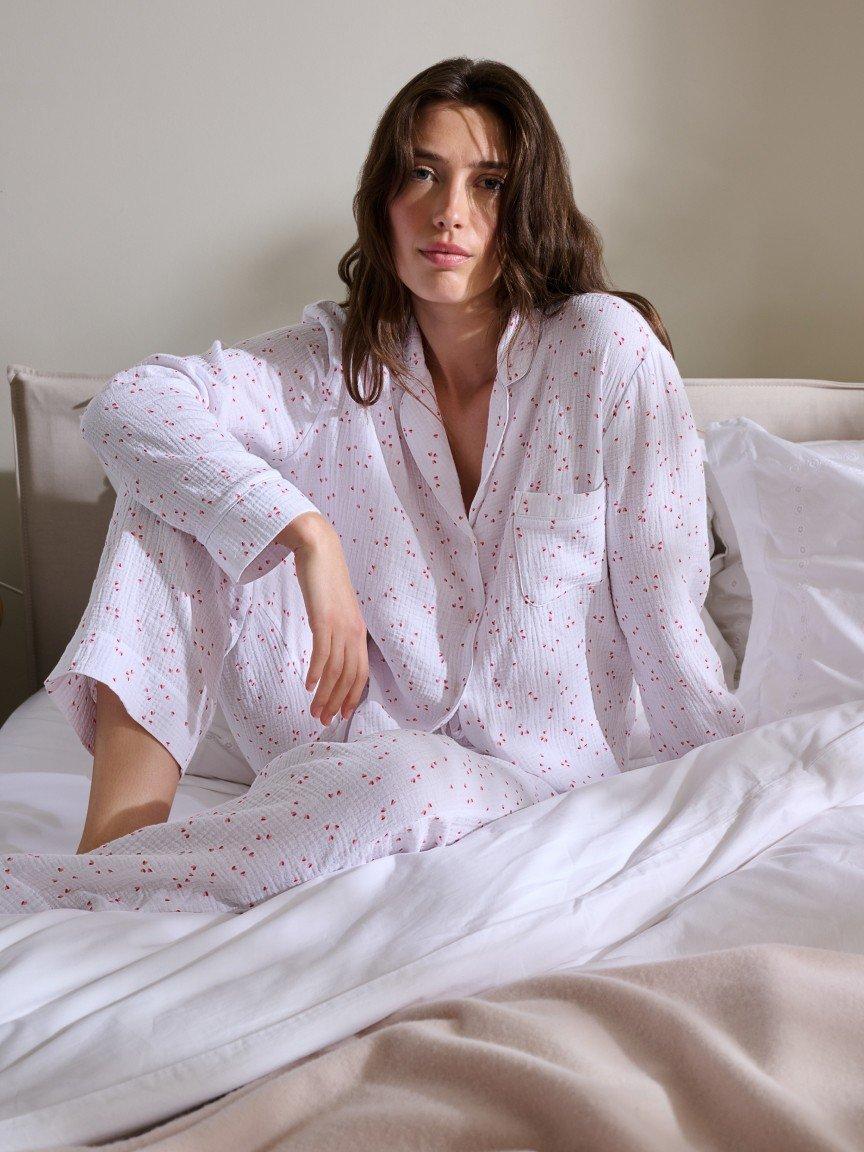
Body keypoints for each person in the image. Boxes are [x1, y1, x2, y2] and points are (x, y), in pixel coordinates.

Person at [1, 57, 745, 914]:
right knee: (169, 488)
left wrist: (718, 821)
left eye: (490, 183)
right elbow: (127, 407)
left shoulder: (605, 356)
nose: (449, 212)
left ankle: (78, 894)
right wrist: (303, 532)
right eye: (422, 173)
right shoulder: (337, 357)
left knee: (405, 783)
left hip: (529, 784)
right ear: (383, 197)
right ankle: (116, 850)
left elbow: (669, 630)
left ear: (529, 204)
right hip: (341, 728)